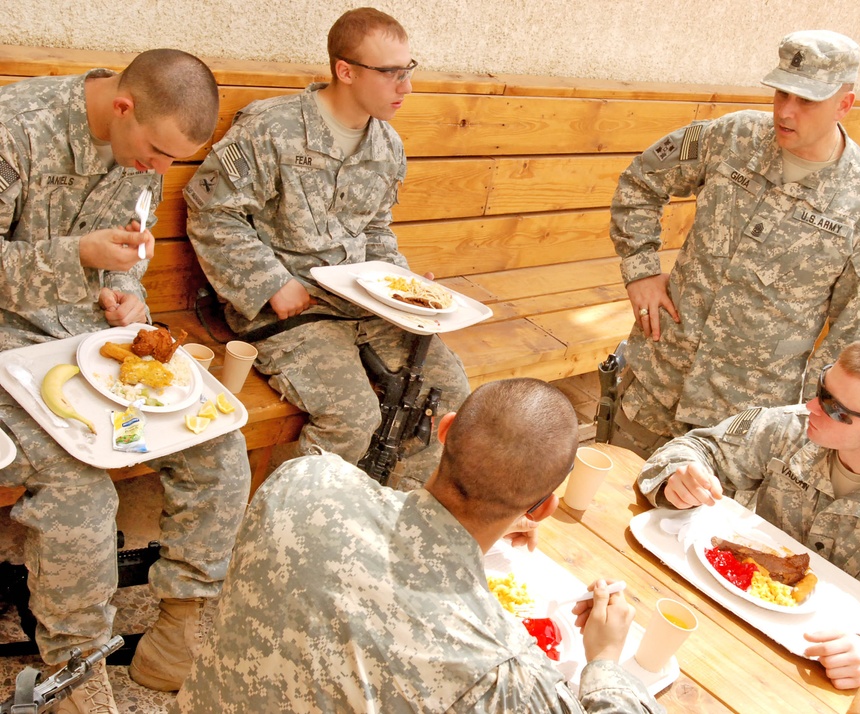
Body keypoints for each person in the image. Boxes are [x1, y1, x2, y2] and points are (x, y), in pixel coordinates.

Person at [0, 50, 251, 713]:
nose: (160, 171)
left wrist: (123, 297)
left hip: (87, 341)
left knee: (218, 443)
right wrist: (73, 256)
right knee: (75, 481)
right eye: (158, 152)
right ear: (122, 107)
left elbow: (125, 258)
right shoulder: (14, 129)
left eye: (175, 159)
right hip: (4, 344)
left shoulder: (144, 150)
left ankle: (178, 629)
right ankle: (75, 674)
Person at [172, 378, 664, 713]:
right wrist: (603, 661)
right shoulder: (502, 675)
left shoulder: (305, 478)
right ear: (541, 509)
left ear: (444, 430)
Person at [184, 7, 470, 490]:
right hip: (286, 311)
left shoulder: (387, 146)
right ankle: (289, 521)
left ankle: (386, 514)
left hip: (365, 303)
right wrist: (271, 283)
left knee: (449, 396)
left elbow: (376, 229)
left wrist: (408, 285)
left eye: (409, 70)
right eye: (392, 73)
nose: (406, 87)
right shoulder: (272, 128)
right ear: (345, 70)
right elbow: (213, 213)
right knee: (352, 418)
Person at [636, 339, 860, 687]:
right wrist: (677, 478)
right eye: (821, 385)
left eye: (835, 408)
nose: (812, 405)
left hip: (821, 659)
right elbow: (699, 448)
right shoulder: (792, 429)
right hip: (725, 604)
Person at [608, 30, 860, 454]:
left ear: (844, 104)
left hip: (738, 421)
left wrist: (815, 414)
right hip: (657, 379)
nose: (786, 111)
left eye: (807, 100)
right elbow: (640, 182)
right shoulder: (734, 136)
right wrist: (640, 271)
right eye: (782, 94)